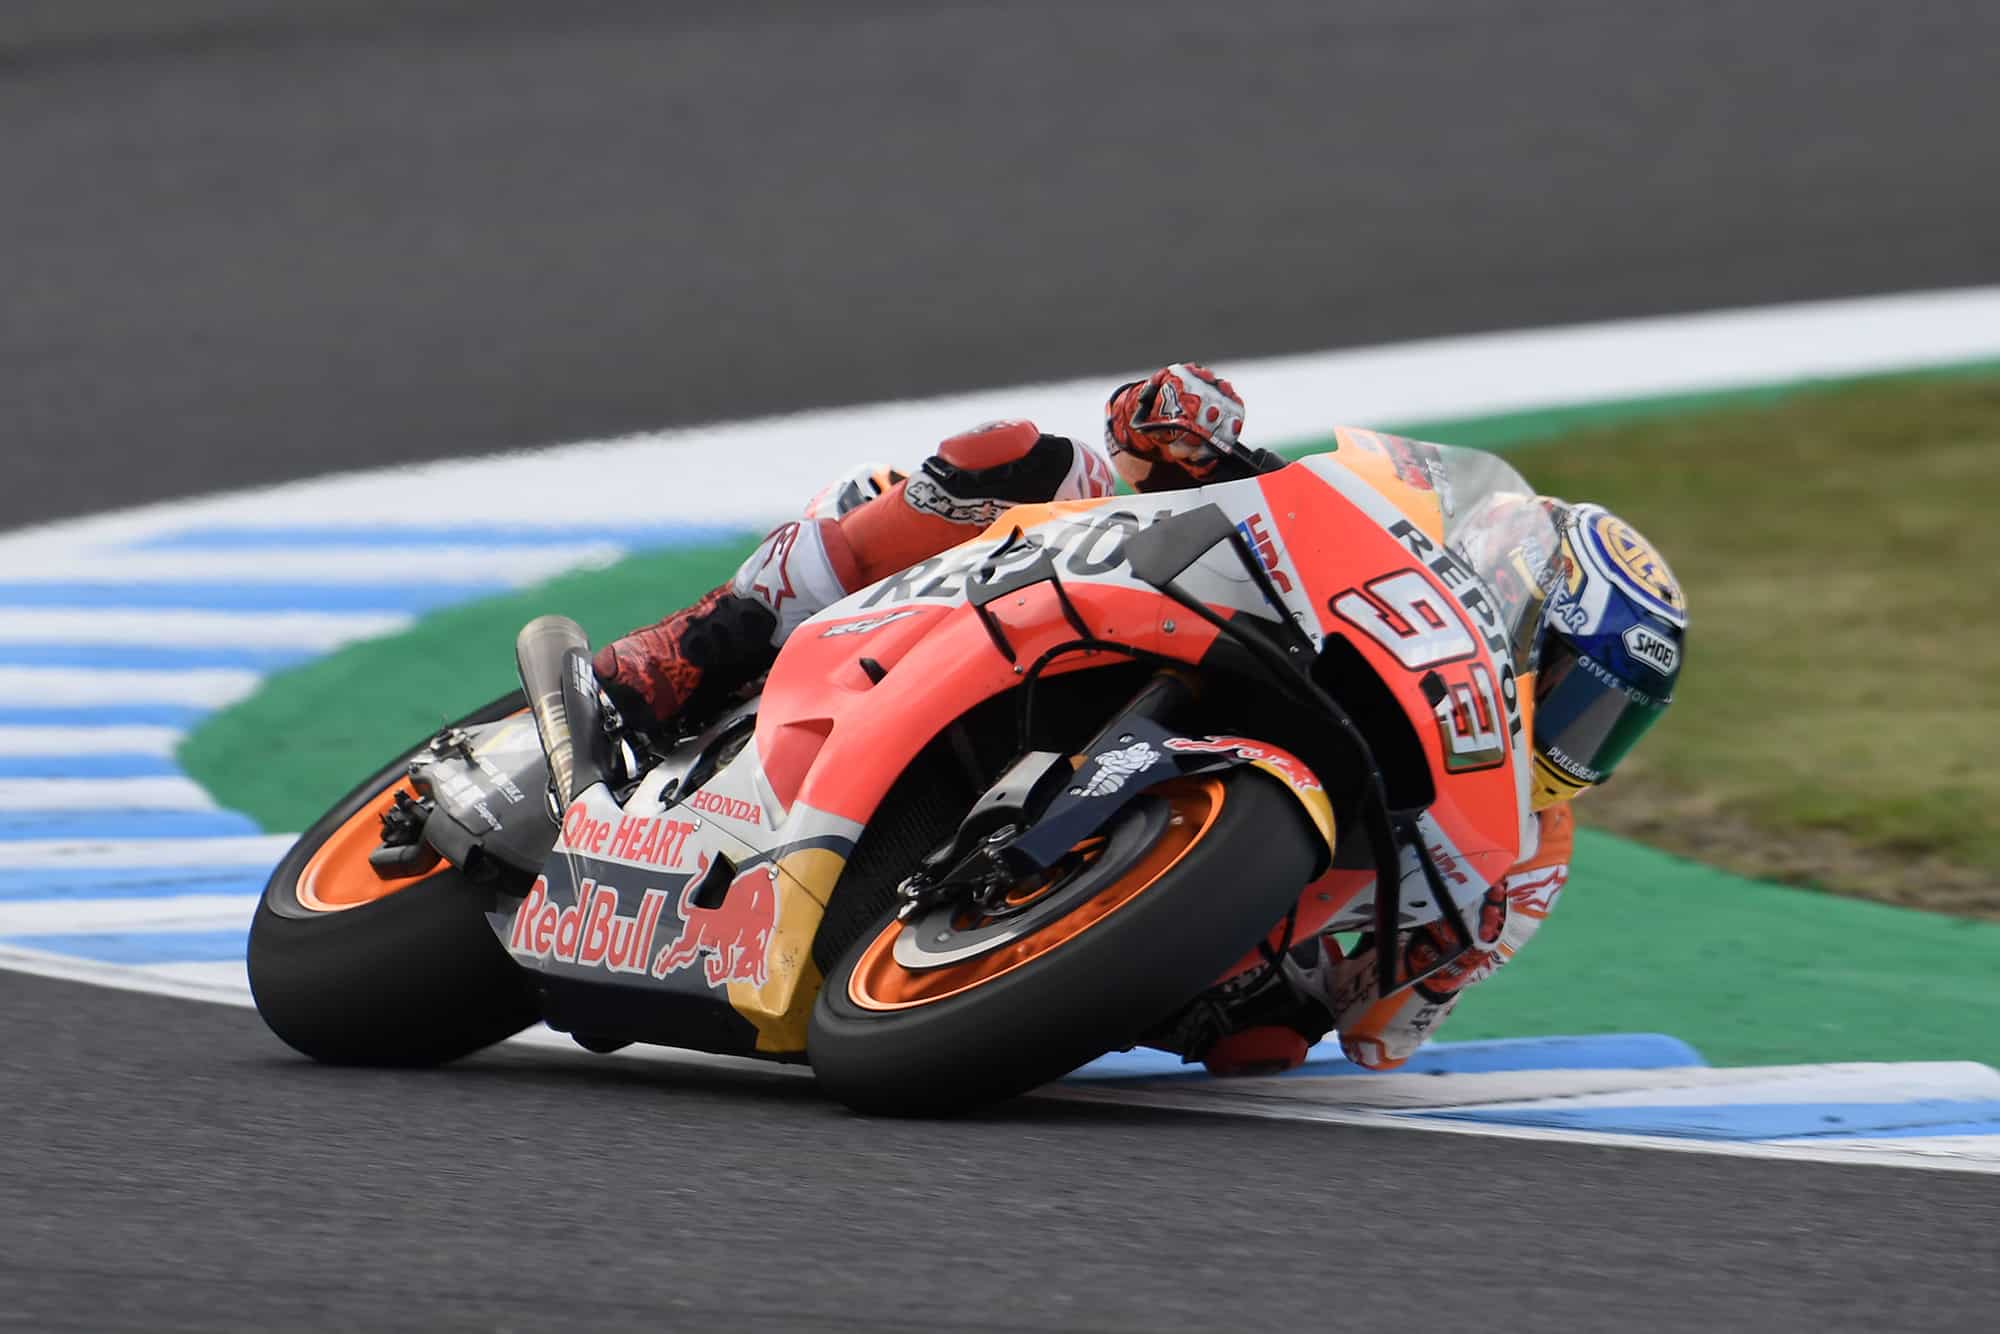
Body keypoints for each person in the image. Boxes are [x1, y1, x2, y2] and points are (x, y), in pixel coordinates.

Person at [592, 364, 1686, 1076]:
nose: (1578, 743)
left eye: (1610, 727)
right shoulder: (1414, 568)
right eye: (1576, 692)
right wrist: (1180, 434)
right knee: (1014, 454)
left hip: (1218, 903)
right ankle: (699, 643)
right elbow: (1171, 454)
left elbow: (1381, 1032)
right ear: (1517, 605)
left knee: (1258, 1040)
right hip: (1142, 620)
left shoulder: (1524, 861)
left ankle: (1022, 938)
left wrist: (1358, 978)